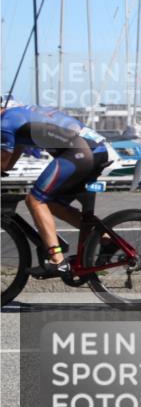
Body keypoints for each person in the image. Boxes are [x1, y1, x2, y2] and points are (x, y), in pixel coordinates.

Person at [0, 102, 111, 277]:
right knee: (52, 203)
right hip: (97, 150)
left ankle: (56, 261)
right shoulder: (18, 115)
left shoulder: (5, 122)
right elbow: (8, 163)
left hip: (79, 152)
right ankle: (107, 240)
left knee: (35, 200)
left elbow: (3, 162)